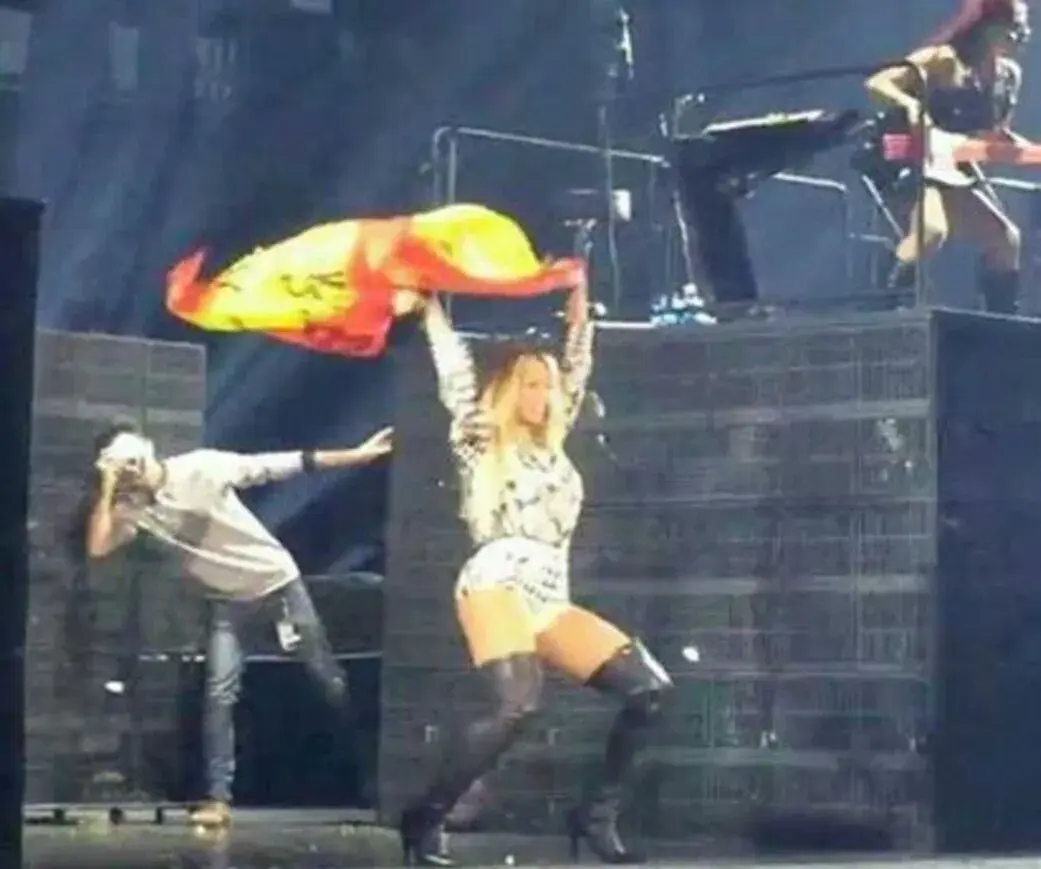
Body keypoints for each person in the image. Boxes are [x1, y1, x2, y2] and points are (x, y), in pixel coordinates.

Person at [397, 286, 672, 867]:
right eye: (530, 383)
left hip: (549, 592)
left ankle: (595, 816)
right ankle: (424, 817)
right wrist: (430, 312)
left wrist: (578, 308)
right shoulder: (479, 437)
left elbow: (577, 366)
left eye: (547, 386)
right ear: (506, 389)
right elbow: (454, 372)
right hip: (496, 578)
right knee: (519, 705)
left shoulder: (555, 443)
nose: (544, 396)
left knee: (648, 691)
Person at [74, 421, 393, 828]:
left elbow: (279, 465)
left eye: (132, 456)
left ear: (149, 448)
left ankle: (378, 779)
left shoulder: (200, 468)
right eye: (120, 463)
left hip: (277, 585)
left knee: (328, 679)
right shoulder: (131, 508)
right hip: (229, 603)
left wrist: (356, 454)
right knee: (219, 694)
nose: (131, 468)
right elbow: (98, 548)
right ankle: (218, 799)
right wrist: (108, 485)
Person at [864, 0, 1030, 312]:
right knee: (930, 231)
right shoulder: (943, 59)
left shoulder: (1008, 78)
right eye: (1014, 26)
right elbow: (877, 83)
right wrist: (911, 107)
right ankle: (881, 301)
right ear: (986, 28)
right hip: (904, 154)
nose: (1021, 34)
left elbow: (994, 135)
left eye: (1023, 27)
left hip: (950, 165)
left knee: (1005, 239)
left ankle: (1000, 330)